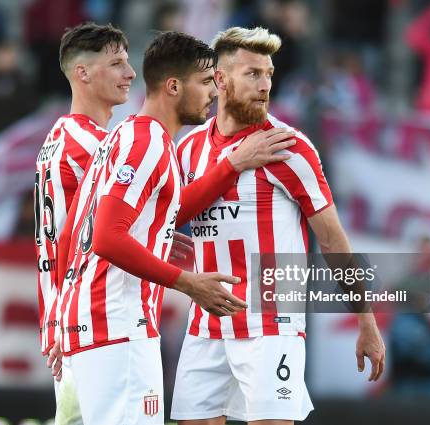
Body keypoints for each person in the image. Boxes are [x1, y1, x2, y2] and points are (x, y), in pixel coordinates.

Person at [51, 30, 297, 425]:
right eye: (204, 83)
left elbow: (70, 235)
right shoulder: (149, 142)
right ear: (173, 86)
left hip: (88, 329)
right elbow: (106, 237)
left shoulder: (122, 136)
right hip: (119, 330)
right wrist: (187, 282)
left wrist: (62, 318)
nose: (212, 94)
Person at [170, 27, 386, 425]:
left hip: (270, 326)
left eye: (269, 73)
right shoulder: (188, 148)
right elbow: (170, 221)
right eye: (252, 73)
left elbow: (334, 241)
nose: (265, 84)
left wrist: (366, 320)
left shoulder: (289, 148)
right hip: (206, 327)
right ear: (220, 79)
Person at [34, 22, 136, 425]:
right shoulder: (90, 145)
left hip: (68, 320)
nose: (130, 73)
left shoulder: (58, 138)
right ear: (83, 73)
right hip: (91, 323)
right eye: (117, 63)